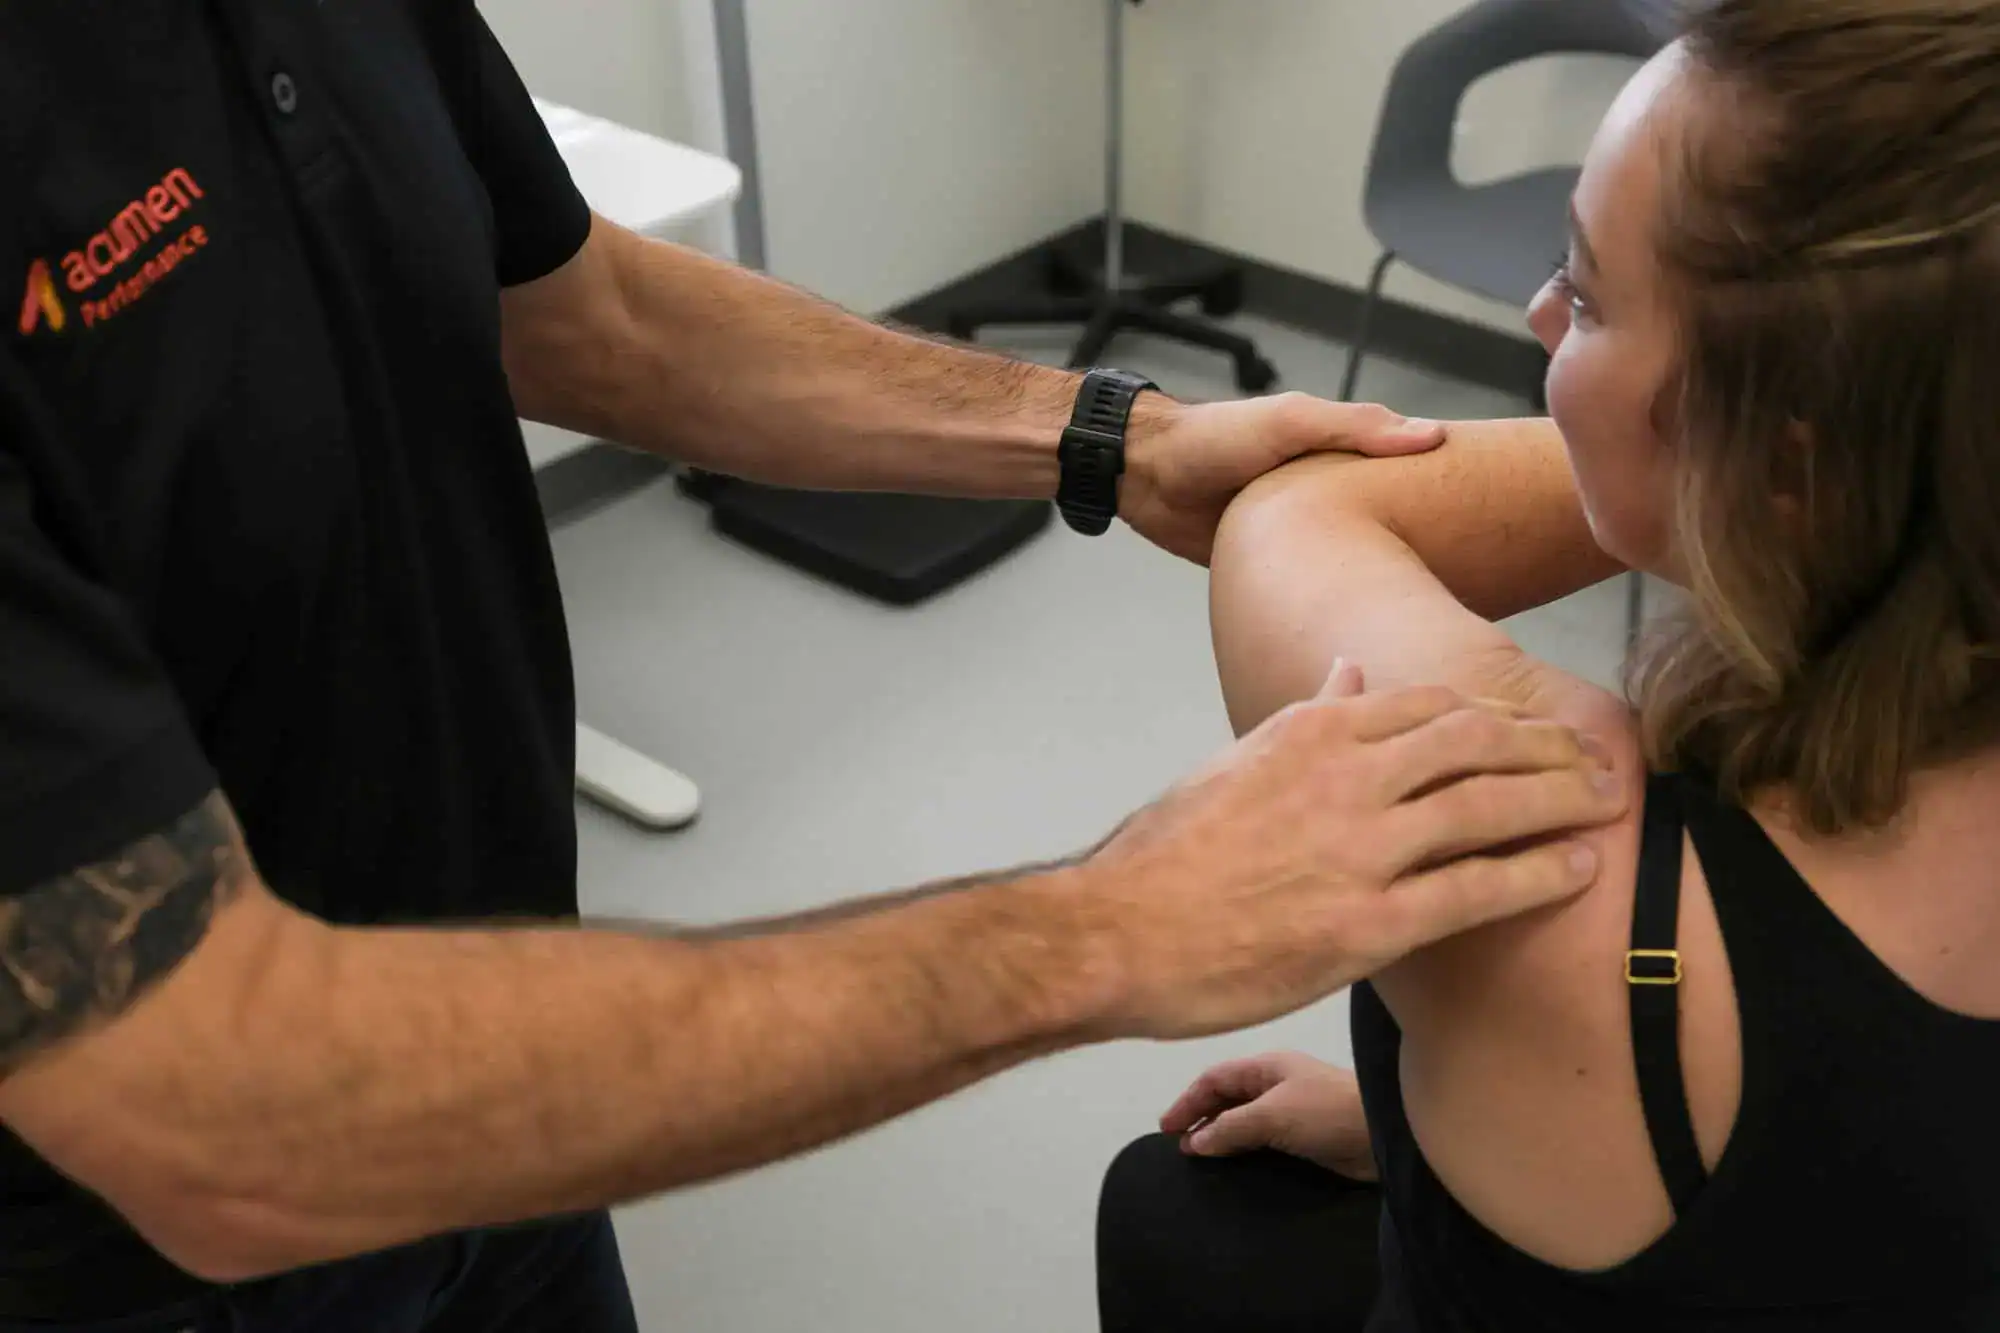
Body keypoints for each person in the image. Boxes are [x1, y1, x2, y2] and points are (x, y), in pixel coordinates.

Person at [0, 5, 1634, 1331]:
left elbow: (587, 312)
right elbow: (222, 1115)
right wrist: (1114, 923)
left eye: (1613, 290)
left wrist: (1110, 438)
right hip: (155, 1264)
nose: (1546, 316)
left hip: (508, 1107)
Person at [1114, 1, 2000, 1329]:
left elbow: (1297, 508)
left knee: (1167, 1203)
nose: (1538, 314)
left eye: (1585, 295)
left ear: (1783, 456)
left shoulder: (1585, 901)